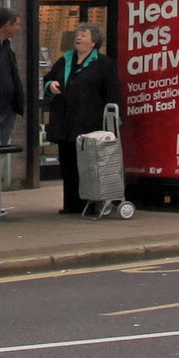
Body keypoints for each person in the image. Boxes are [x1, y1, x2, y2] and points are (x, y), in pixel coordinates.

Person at [45, 21, 117, 214]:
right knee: (67, 163)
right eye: (78, 34)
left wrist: (112, 123)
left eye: (84, 35)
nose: (78, 37)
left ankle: (91, 203)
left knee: (88, 164)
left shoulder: (103, 64)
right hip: (65, 122)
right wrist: (51, 85)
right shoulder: (65, 60)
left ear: (93, 42)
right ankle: (71, 204)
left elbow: (112, 93)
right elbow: (49, 79)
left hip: (89, 122)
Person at [0, 7, 25, 174]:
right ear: (7, 24)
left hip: (8, 108)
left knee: (1, 149)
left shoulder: (7, 46)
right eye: (17, 24)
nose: (18, 28)